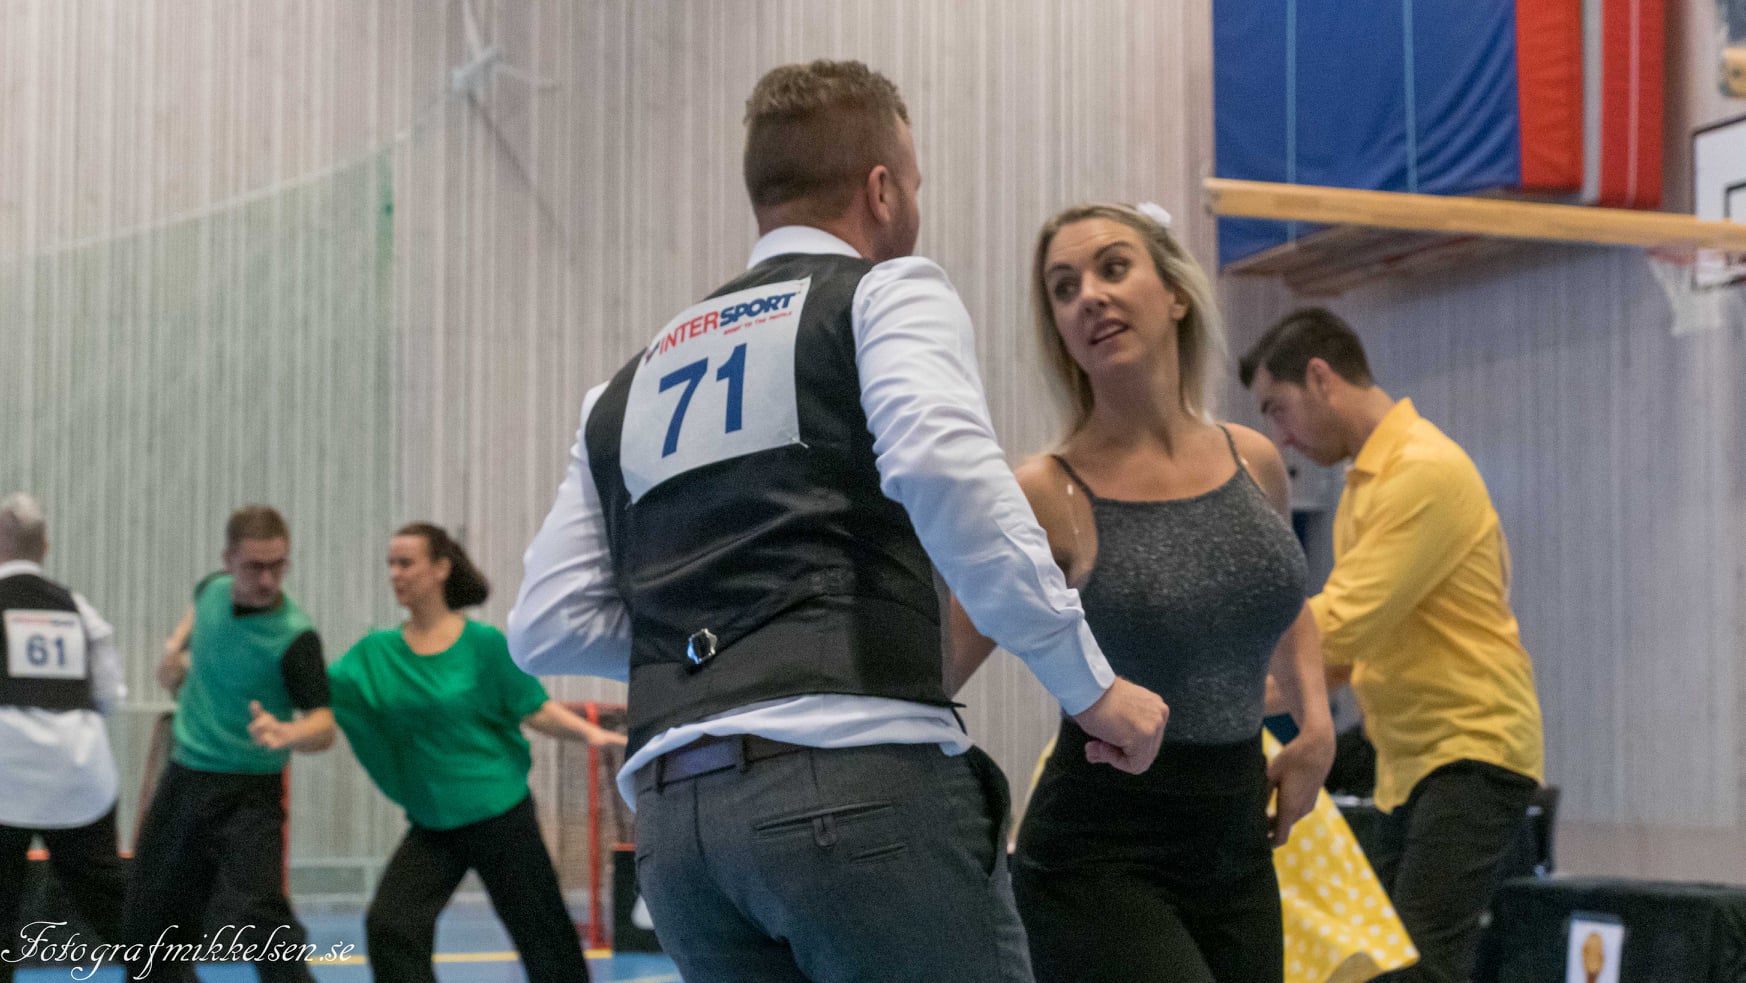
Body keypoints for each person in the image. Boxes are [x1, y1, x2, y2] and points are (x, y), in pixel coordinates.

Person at [508, 59, 1167, 983]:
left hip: (680, 837)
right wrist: (1088, 686)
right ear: (882, 189)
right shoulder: (885, 292)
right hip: (852, 792)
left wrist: (725, 634)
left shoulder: (622, 390)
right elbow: (943, 470)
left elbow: (544, 625)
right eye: (916, 186)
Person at [949, 203, 1335, 983]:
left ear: (1176, 293)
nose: (1089, 295)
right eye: (1064, 288)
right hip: (1099, 855)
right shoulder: (1044, 491)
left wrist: (1317, 727)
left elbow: (1279, 600)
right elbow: (939, 664)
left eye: (1113, 268)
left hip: (1237, 839)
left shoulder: (1252, 459)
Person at [1239, 308, 1545, 983]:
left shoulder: (1422, 471)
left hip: (1472, 749)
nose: (1280, 438)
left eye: (1278, 408)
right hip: (1409, 756)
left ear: (1321, 378)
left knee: (1420, 966)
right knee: (1389, 959)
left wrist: (1219, 661)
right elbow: (1338, 659)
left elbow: (1342, 623)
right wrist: (1227, 702)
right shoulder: (1365, 488)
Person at [328, 522, 623, 983]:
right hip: (434, 820)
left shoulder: (484, 645)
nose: (395, 574)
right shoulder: (375, 653)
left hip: (499, 813)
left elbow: (534, 708)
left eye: (406, 563)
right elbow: (322, 695)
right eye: (391, 564)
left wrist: (590, 734)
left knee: (543, 935)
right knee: (390, 925)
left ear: (440, 568)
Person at [125, 505, 336, 983]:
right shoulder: (210, 591)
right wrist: (173, 654)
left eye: (278, 566)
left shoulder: (295, 637)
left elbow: (324, 726)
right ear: (228, 561)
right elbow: (193, 627)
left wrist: (288, 733)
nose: (267, 580)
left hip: (249, 793)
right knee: (149, 920)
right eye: (254, 566)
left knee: (264, 925)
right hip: (185, 779)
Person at [0, 494, 128, 983]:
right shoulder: (79, 609)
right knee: (115, 908)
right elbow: (110, 695)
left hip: (5, 778)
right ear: (45, 547)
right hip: (78, 779)